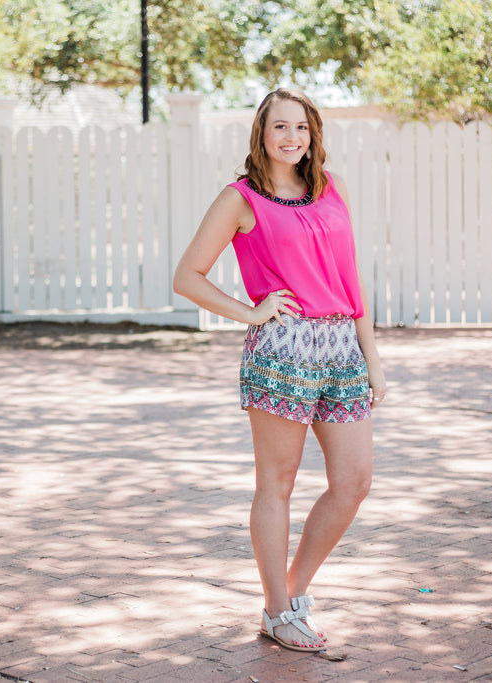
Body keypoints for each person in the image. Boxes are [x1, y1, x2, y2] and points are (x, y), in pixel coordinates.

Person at [172, 88, 386, 652]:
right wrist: (250, 311)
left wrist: (372, 358)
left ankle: (290, 595)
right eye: (280, 128)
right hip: (283, 346)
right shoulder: (240, 198)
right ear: (260, 135)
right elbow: (187, 275)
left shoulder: (330, 187)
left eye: (302, 128)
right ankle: (277, 610)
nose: (292, 138)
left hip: (341, 344)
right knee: (279, 481)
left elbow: (351, 278)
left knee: (353, 481)